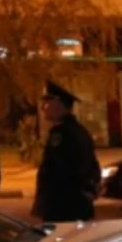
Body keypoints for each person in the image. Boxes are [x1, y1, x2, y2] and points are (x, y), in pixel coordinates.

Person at [33, 80, 100, 223]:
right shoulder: (78, 130)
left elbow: (59, 171)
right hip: (75, 204)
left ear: (59, 104)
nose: (43, 107)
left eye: (47, 102)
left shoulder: (62, 134)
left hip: (63, 206)